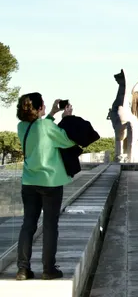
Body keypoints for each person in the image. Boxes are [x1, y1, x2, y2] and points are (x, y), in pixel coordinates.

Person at [15, 93, 76, 281]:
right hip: (51, 182)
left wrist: (51, 113)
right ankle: (48, 269)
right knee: (50, 225)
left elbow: (39, 129)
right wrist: (66, 119)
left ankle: (23, 269)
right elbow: (68, 140)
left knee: (28, 225)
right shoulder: (46, 126)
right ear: (39, 106)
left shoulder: (22, 126)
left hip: (29, 182)